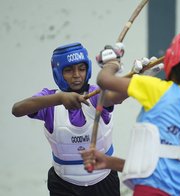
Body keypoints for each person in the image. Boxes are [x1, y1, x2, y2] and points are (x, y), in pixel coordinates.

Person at [81, 31, 180, 196]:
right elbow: (166, 161)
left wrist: (111, 63)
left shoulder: (158, 89)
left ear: (171, 60)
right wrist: (109, 162)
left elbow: (105, 82)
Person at [11, 42, 125, 196]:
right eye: (69, 70)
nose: (77, 75)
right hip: (64, 184)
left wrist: (131, 76)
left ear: (88, 69)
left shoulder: (96, 94)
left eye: (82, 69)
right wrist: (59, 99)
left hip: (104, 181)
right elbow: (17, 110)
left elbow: (117, 97)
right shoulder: (50, 99)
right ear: (58, 73)